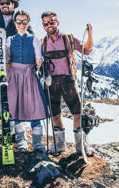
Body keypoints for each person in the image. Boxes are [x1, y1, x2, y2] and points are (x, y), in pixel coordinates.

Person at [40, 11, 95, 156]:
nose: (49, 25)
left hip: (68, 81)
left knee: (77, 113)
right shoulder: (42, 43)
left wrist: (90, 34)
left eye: (52, 22)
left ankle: (81, 145)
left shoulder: (68, 39)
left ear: (57, 22)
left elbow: (87, 50)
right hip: (51, 83)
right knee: (55, 115)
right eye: (46, 23)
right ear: (43, 25)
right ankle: (59, 145)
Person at [6, 11, 47, 152]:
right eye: (19, 21)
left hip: (29, 75)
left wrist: (40, 68)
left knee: (34, 108)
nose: (21, 24)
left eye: (24, 21)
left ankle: (37, 143)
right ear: (15, 23)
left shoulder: (34, 39)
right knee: (16, 110)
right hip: (14, 77)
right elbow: (7, 59)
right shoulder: (9, 40)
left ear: (28, 23)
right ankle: (21, 141)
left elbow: (39, 59)